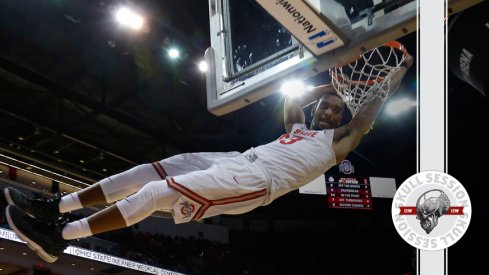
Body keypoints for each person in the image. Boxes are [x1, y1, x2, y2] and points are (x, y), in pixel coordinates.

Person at [4, 53, 413, 263]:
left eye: (334, 110)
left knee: (155, 192)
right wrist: (324, 87)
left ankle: (60, 237)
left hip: (255, 184)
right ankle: (55, 205)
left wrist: (394, 74)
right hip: (239, 159)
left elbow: (367, 112)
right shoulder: (298, 129)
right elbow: (291, 100)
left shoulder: (338, 142)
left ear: (341, 118)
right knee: (152, 170)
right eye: (324, 107)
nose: (327, 112)